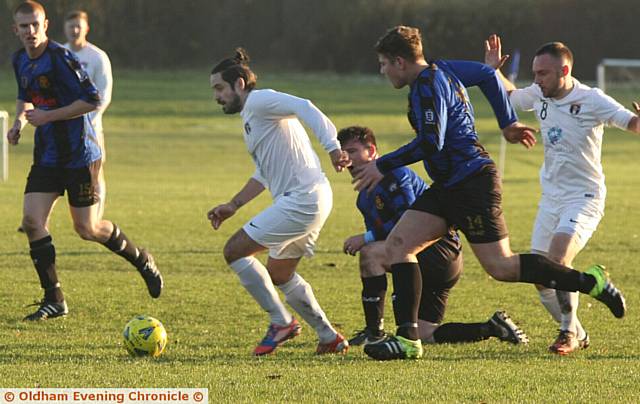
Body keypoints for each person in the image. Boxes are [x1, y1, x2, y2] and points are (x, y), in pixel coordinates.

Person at [352, 25, 626, 361]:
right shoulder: (444, 68)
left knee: (502, 267)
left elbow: (430, 142)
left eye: (383, 64)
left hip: (471, 182)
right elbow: (485, 72)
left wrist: (383, 164)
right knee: (398, 244)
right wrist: (507, 121)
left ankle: (590, 282)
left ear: (399, 61)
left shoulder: (426, 86)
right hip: (449, 185)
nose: (383, 71)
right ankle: (408, 339)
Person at [484, 34, 640, 354]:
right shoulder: (540, 94)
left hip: (584, 197)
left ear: (564, 71)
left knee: (557, 259)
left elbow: (632, 123)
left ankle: (567, 332)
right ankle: (577, 332)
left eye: (543, 73)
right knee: (542, 276)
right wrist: (491, 70)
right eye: (535, 73)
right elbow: (510, 95)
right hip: (550, 197)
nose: (537, 79)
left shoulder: (592, 99)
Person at [9, 1, 162, 321]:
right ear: (16, 29)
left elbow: (92, 99)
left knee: (88, 228)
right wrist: (18, 123)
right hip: (48, 157)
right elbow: (26, 96)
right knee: (32, 222)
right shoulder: (20, 59)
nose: (30, 31)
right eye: (24, 26)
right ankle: (54, 299)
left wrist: (49, 115)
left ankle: (141, 259)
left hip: (80, 155)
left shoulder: (62, 58)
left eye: (35, 25)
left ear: (45, 25)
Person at [207, 48, 350, 356]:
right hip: (312, 198)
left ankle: (281, 321)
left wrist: (333, 147)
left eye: (219, 88)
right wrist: (234, 204)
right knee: (280, 274)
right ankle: (329, 337)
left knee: (234, 251)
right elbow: (264, 172)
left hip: (302, 199)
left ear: (240, 84)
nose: (217, 96)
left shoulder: (259, 101)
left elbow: (305, 106)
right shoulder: (253, 117)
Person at [339, 125, 529, 347]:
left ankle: (374, 332)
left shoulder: (396, 175)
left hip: (439, 252)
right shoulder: (363, 198)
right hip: (427, 262)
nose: (347, 159)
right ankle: (492, 327)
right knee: (425, 333)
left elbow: (408, 225)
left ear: (371, 151)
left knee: (371, 254)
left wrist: (366, 238)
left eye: (352, 151)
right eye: (343, 153)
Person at [64, 10, 113, 219]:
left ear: (86, 28)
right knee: (56, 172)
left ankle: (96, 218)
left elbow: (103, 94)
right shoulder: (60, 54)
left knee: (95, 172)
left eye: (78, 26)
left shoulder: (97, 57)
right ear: (64, 28)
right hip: (64, 126)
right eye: (71, 26)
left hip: (91, 128)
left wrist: (89, 120)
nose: (74, 30)